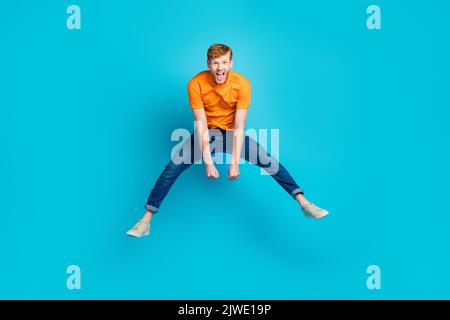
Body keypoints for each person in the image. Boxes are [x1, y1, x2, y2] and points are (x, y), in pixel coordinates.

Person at [126, 44, 329, 238]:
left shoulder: (242, 84)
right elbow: (200, 124)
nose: (220, 67)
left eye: (224, 62)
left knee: (267, 160)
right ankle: (146, 220)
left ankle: (304, 203)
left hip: (232, 133)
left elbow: (239, 127)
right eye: (215, 63)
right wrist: (208, 162)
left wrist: (234, 164)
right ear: (208, 64)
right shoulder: (196, 83)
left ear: (231, 63)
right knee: (172, 166)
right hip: (207, 133)